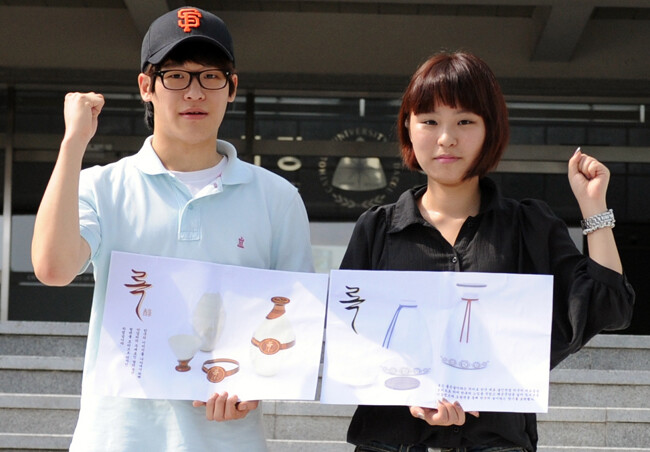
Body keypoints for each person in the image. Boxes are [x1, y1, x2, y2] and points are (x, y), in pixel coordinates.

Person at [31, 7, 313, 451]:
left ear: (232, 88)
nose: (194, 92)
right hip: (117, 437)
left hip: (227, 440)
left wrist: (257, 386)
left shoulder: (277, 197)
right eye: (176, 76)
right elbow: (53, 269)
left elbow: (295, 321)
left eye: (210, 77)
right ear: (147, 86)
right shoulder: (102, 186)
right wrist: (73, 144)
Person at [339, 51, 634, 452]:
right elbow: (347, 337)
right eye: (429, 121)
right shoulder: (376, 229)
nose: (446, 138)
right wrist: (407, 391)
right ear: (407, 126)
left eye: (465, 121)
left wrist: (594, 206)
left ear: (490, 129)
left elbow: (608, 304)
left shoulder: (528, 226)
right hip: (391, 443)